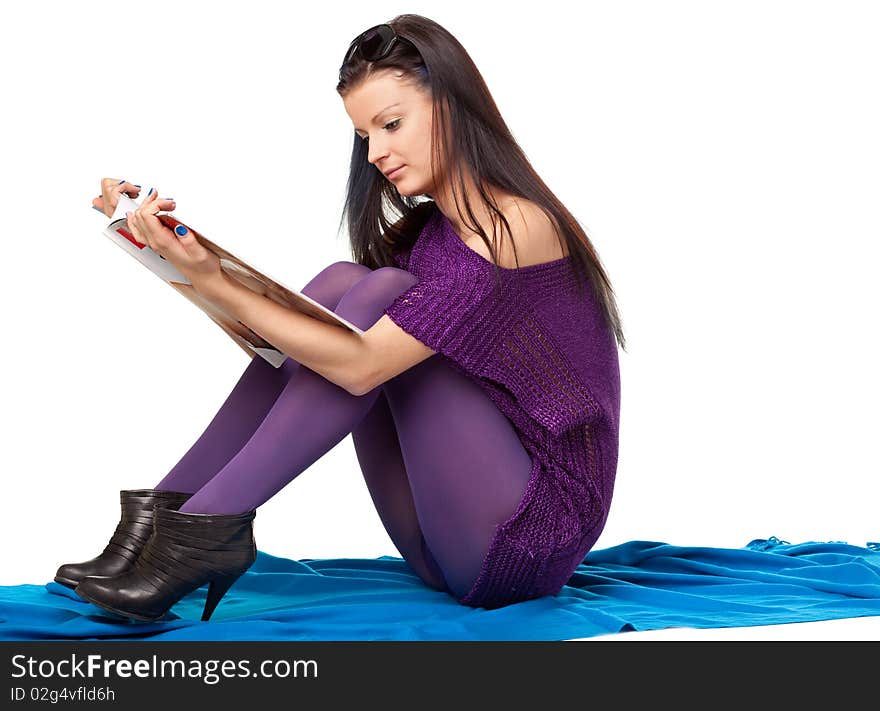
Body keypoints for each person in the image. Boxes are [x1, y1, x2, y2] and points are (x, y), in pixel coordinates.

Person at [57, 14, 626, 623]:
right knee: (346, 285)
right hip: (442, 539)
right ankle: (165, 519)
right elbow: (294, 355)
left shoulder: (514, 225)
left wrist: (209, 276)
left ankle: (199, 529)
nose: (377, 152)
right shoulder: (431, 234)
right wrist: (168, 251)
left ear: (455, 106)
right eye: (364, 135)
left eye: (392, 123)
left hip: (526, 537)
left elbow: (360, 367)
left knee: (374, 294)